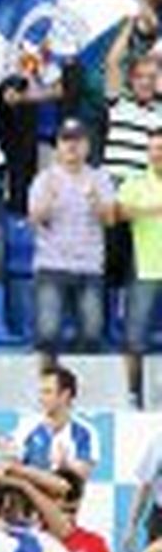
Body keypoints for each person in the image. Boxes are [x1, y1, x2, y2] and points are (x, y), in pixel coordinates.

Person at [30, 119, 116, 356]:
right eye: (66, 140)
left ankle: (80, 387)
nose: (71, 146)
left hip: (89, 266)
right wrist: (49, 198)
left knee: (92, 334)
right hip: (51, 264)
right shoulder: (44, 179)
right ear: (57, 146)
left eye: (77, 141)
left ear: (87, 146)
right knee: (47, 334)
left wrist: (95, 200)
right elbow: (35, 220)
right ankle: (47, 388)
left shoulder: (100, 178)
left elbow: (110, 220)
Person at [117, 127, 162, 400]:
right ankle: (132, 394)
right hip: (144, 267)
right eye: (155, 148)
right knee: (134, 338)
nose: (159, 153)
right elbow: (117, 212)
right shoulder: (135, 182)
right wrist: (150, 210)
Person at [20, 365, 99, 479]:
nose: (41, 398)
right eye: (41, 392)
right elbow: (14, 464)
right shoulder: (27, 426)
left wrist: (65, 464)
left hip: (66, 493)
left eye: (47, 392)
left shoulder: (85, 432)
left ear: (64, 395)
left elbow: (84, 473)